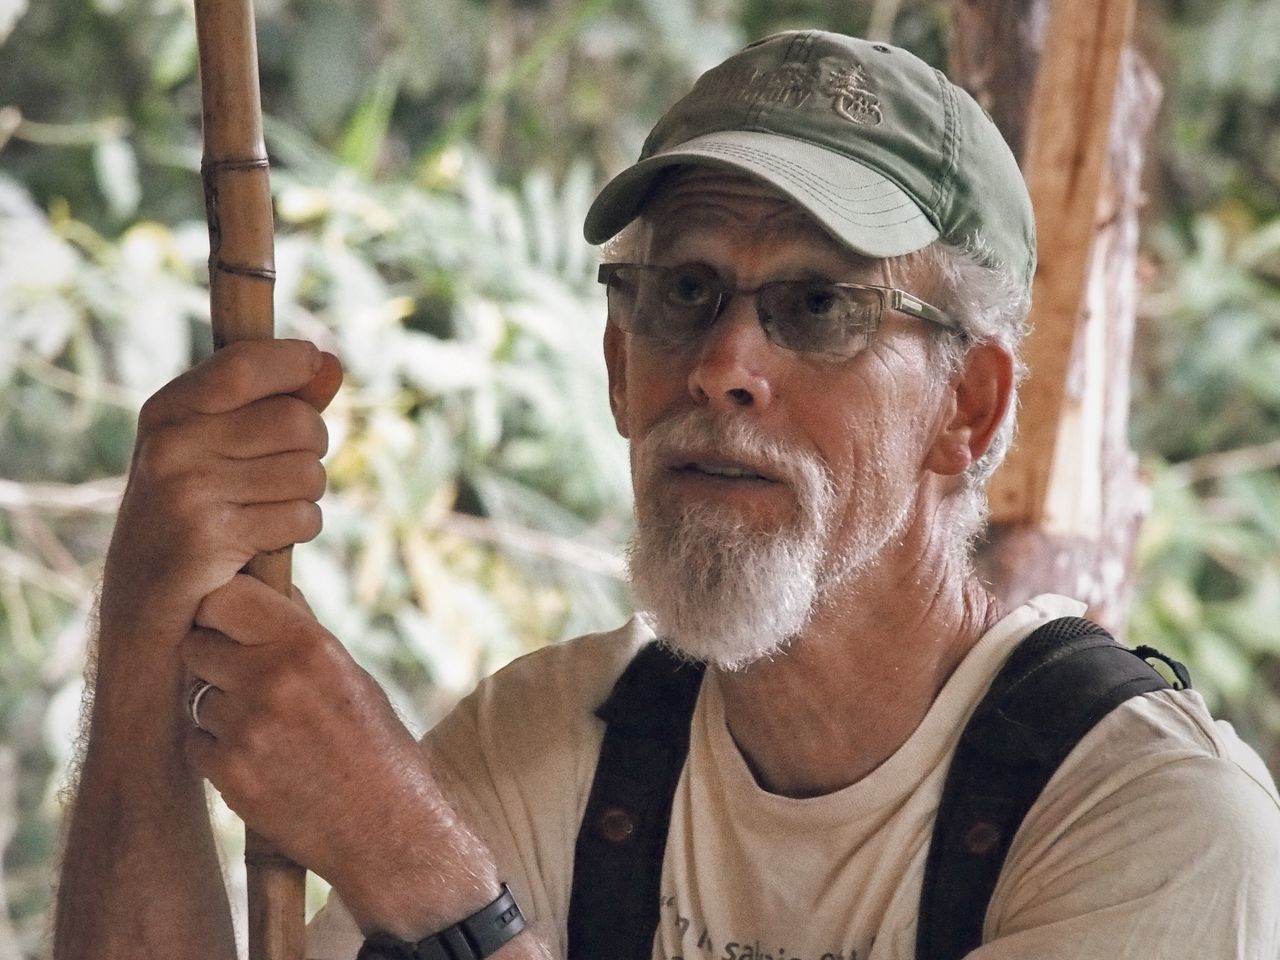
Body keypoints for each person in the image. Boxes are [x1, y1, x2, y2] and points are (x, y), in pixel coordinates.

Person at [55, 29, 1280, 960]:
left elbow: (427, 882)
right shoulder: (557, 751)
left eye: (818, 307)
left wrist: (436, 894)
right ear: (614, 366)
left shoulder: (1153, 825)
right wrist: (145, 623)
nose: (721, 368)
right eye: (683, 292)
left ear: (965, 410)